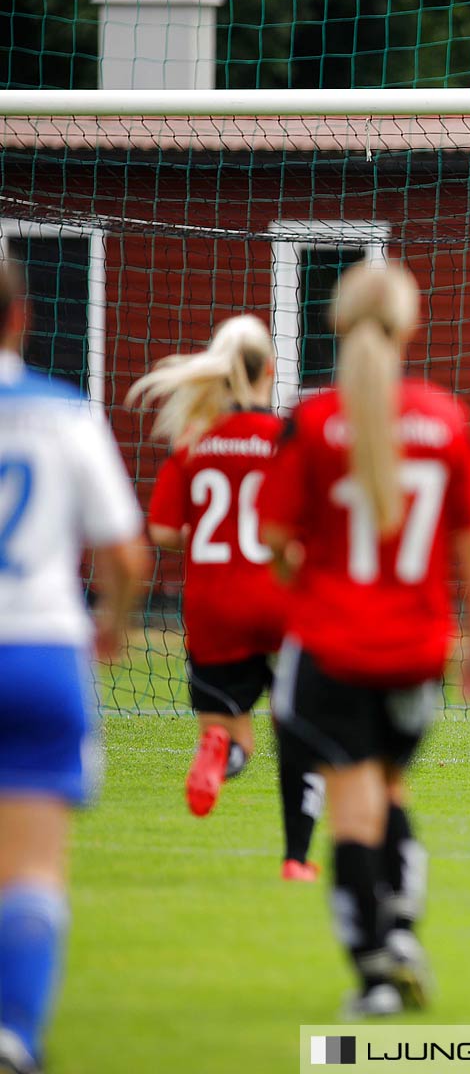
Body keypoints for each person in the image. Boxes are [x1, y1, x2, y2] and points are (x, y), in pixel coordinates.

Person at [259, 261, 470, 1017]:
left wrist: (306, 574)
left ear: (337, 321)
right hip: (416, 651)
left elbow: (271, 537)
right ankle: (398, 930)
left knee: (355, 807)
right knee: (389, 790)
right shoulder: (446, 419)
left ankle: (374, 970)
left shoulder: (313, 421)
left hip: (332, 647)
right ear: (409, 325)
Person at [0, 259, 147, 1074]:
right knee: (30, 867)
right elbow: (126, 552)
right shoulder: (63, 415)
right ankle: (15, 1033)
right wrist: (113, 624)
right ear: (20, 318)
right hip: (41, 650)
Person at [129, 315, 323, 881]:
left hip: (215, 607)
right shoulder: (289, 438)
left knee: (233, 731)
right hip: (283, 600)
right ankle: (296, 860)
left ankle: (220, 748)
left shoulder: (196, 440)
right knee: (302, 736)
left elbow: (163, 532)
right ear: (270, 370)